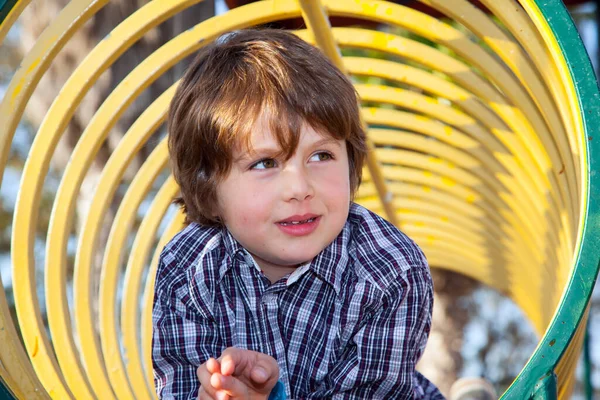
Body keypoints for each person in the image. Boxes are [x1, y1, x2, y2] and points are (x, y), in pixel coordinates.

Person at [152, 28, 443, 399]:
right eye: (265, 163)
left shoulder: (391, 272)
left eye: (321, 156)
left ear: (350, 162)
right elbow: (176, 383)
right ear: (209, 193)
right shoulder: (187, 269)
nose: (299, 188)